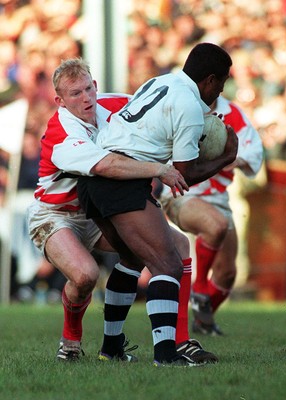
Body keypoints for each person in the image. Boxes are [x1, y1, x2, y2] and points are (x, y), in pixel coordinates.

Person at [27, 57, 216, 365]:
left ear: (95, 85)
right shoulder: (60, 131)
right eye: (75, 93)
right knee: (86, 275)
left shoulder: (113, 103)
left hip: (94, 211)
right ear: (60, 101)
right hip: (54, 214)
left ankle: (178, 342)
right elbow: (106, 165)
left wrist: (202, 118)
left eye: (89, 88)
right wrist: (160, 169)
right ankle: (71, 339)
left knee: (177, 245)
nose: (86, 97)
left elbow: (160, 108)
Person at [77, 42, 239, 366]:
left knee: (132, 259)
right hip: (120, 179)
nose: (221, 90)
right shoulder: (190, 107)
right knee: (169, 264)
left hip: (94, 177)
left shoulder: (160, 81)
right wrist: (226, 157)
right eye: (221, 83)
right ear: (209, 80)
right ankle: (166, 356)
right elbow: (180, 179)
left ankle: (111, 350)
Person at [160, 94, 263, 335]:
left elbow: (254, 150)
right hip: (182, 192)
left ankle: (202, 320)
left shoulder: (233, 114)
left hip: (219, 198)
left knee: (228, 274)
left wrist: (234, 159)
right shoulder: (181, 107)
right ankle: (200, 287)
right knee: (215, 225)